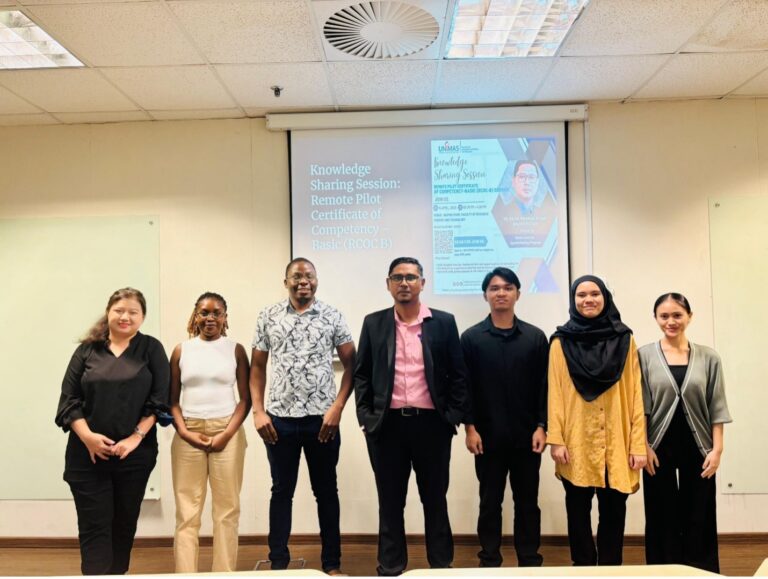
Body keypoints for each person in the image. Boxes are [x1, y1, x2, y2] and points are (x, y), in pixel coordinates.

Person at [354, 256, 469, 576]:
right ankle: (390, 567)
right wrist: (366, 417)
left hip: (432, 425)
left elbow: (459, 375)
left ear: (422, 283)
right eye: (397, 277)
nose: (404, 283)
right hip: (386, 426)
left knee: (435, 500)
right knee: (390, 502)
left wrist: (452, 418)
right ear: (388, 284)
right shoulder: (374, 323)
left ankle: (441, 566)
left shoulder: (443, 322)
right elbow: (362, 374)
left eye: (411, 277)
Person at [250, 258, 356, 575]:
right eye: (296, 276)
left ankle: (332, 565)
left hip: (322, 422)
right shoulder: (268, 316)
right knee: (281, 491)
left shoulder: (332, 315)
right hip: (279, 421)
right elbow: (256, 367)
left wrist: (337, 407)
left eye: (308, 276)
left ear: (317, 280)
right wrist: (258, 411)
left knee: (326, 492)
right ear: (286, 282)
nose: (303, 281)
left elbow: (354, 366)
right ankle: (279, 563)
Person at [55, 287, 169, 575]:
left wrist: (135, 438)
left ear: (143, 317)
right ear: (108, 312)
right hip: (87, 458)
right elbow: (69, 401)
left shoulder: (151, 349)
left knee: (123, 525)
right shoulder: (87, 350)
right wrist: (89, 438)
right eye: (119, 310)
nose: (125, 317)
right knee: (94, 527)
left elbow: (160, 401)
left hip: (135, 456)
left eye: (133, 312)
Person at [547, 275, 646, 566]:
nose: (588, 300)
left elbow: (636, 393)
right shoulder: (560, 343)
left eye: (594, 294)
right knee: (577, 514)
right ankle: (583, 568)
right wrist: (556, 439)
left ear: (605, 298)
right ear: (573, 301)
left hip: (617, 442)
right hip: (575, 442)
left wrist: (637, 444)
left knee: (614, 514)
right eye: (581, 295)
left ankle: (611, 569)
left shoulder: (625, 340)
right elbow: (555, 392)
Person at [461, 267, 548, 567]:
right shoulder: (471, 338)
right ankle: (489, 559)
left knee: (527, 504)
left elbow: (543, 388)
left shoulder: (536, 338)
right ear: (485, 295)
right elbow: (465, 388)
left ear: (518, 294)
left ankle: (529, 559)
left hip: (528, 437)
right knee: (489, 503)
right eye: (495, 288)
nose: (501, 293)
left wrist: (542, 426)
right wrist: (469, 429)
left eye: (507, 287)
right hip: (487, 438)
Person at [639, 293, 731, 573]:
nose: (671, 321)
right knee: (661, 512)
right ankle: (663, 570)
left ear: (689, 316)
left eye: (677, 315)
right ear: (656, 318)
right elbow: (639, 406)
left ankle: (700, 570)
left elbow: (717, 406)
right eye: (664, 316)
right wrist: (643, 445)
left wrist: (717, 450)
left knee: (699, 512)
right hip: (658, 445)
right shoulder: (643, 355)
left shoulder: (709, 357)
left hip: (699, 445)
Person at [169, 292, 250, 572]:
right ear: (196, 315)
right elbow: (172, 401)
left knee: (227, 511)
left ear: (225, 317)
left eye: (217, 313)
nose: (210, 318)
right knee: (187, 512)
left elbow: (246, 399)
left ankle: (223, 574)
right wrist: (185, 432)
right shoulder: (182, 350)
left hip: (226, 430)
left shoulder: (235, 349)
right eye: (204, 312)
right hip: (188, 432)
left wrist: (226, 435)